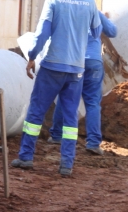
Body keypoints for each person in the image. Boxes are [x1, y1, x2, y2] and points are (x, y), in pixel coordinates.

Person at [11, 0, 100, 177]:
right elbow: (96, 33)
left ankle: (26, 157)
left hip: (52, 67)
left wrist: (31, 57)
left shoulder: (54, 0)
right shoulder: (90, 4)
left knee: (36, 112)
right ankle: (66, 164)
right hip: (76, 70)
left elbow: (42, 34)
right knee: (70, 118)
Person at [48, 10, 117, 156]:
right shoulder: (93, 11)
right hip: (93, 62)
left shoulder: (66, 10)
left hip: (72, 61)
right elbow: (112, 31)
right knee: (92, 102)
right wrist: (105, 18)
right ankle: (92, 143)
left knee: (65, 97)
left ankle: (57, 135)